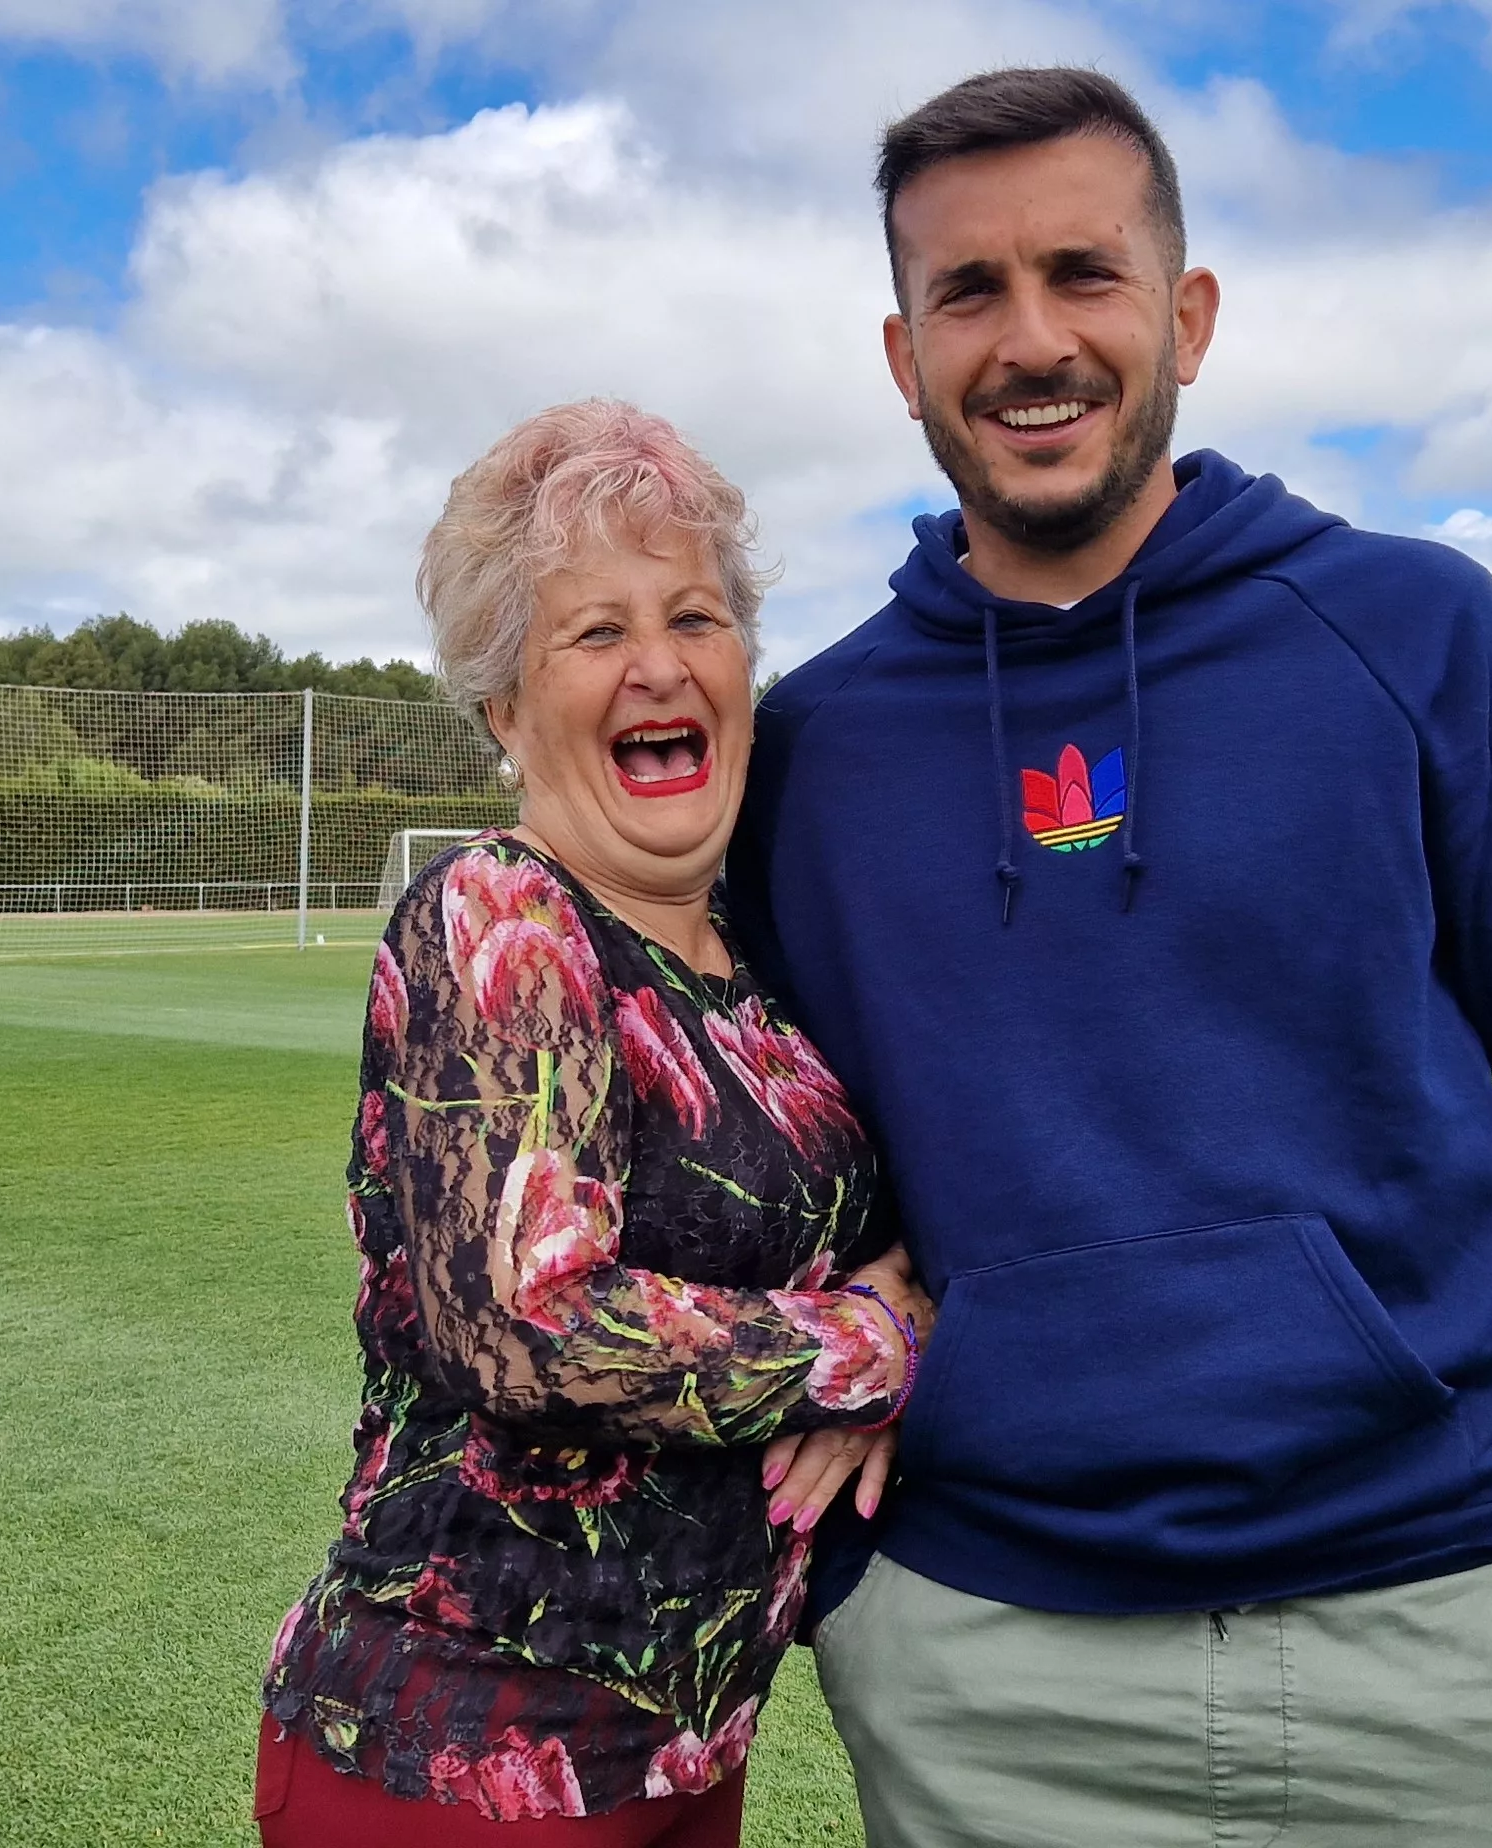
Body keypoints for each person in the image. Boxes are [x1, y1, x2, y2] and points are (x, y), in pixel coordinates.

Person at [729, 68, 1492, 1848]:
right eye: (970, 292)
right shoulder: (815, 744)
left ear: (1186, 314)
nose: (1032, 340)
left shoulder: (1418, 634)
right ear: (902, 356)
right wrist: (864, 1573)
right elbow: (764, 1172)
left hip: (1445, 1635)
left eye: (1082, 274)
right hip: (983, 1664)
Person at [259, 399, 929, 1848]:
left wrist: (913, 1281)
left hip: (682, 1748)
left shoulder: (759, 967)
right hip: (469, 1756)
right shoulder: (503, 918)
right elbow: (533, 1325)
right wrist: (869, 1349)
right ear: (506, 707)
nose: (657, 664)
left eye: (695, 616)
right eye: (594, 632)